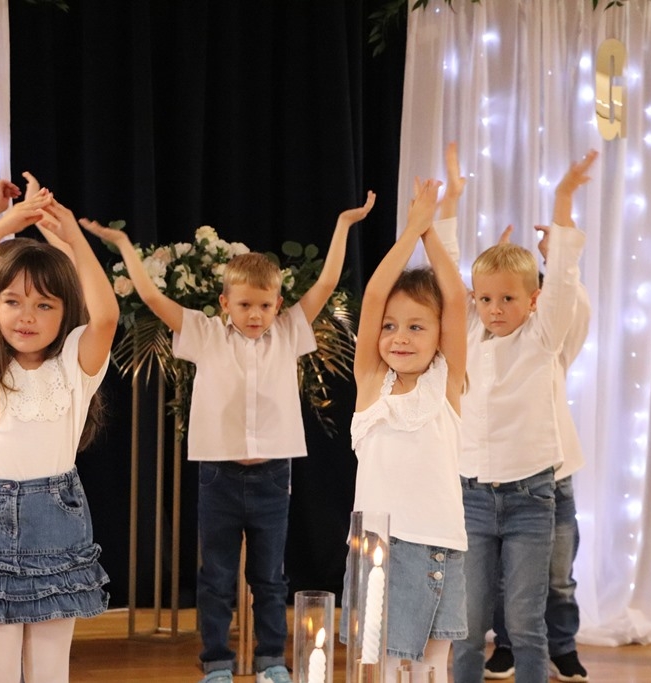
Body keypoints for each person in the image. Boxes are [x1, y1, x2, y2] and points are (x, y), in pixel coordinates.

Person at [81, 192, 374, 683]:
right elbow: (152, 299)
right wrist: (123, 245)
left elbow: (325, 283)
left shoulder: (288, 332)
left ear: (278, 304)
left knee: (270, 578)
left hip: (272, 476)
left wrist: (344, 225)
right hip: (218, 476)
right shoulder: (205, 333)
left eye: (265, 305)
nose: (255, 314)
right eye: (245, 305)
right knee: (216, 578)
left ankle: (271, 660)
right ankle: (216, 661)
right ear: (225, 304)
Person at [0, 188, 118, 683]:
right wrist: (3, 223)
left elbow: (106, 316)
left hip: (56, 519)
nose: (27, 316)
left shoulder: (74, 363)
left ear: (65, 311)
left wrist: (73, 236)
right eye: (12, 301)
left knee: (49, 671)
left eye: (43, 304)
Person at [433, 142, 592, 682]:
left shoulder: (543, 338)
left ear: (533, 301)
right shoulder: (468, 331)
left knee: (526, 624)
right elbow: (447, 273)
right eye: (486, 299)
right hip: (472, 497)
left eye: (508, 299)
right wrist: (451, 200)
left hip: (531, 496)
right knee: (466, 624)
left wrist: (564, 199)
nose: (495, 310)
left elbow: (563, 277)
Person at [346, 177, 467, 683]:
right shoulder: (372, 382)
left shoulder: (448, 383)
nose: (399, 337)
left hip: (441, 542)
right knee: (387, 666)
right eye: (390, 326)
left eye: (417, 326)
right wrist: (411, 230)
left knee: (431, 666)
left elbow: (456, 299)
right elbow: (375, 294)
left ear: (439, 335)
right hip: (381, 545)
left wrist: (429, 232)